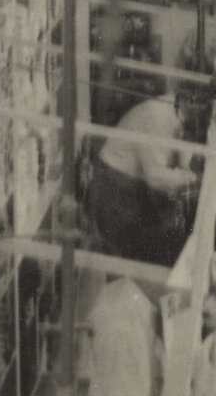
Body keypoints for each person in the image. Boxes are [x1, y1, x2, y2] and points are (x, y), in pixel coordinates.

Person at [82, 85, 201, 267]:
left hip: (127, 188)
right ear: (188, 100)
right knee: (126, 263)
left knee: (139, 254)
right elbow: (154, 177)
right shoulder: (155, 116)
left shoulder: (177, 113)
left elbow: (182, 151)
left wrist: (187, 171)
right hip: (114, 189)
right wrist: (190, 180)